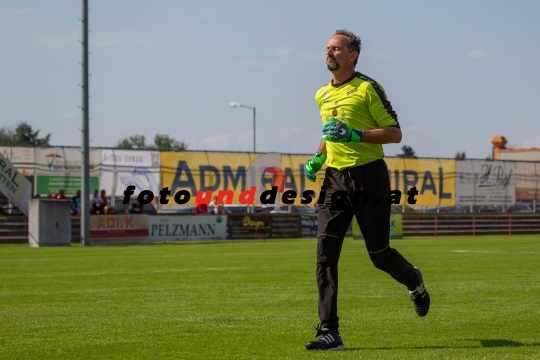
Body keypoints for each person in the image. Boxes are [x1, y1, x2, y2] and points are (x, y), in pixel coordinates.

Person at [303, 30, 430, 351]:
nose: (329, 52)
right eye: (328, 48)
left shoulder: (367, 88)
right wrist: (319, 156)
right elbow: (330, 131)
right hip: (334, 181)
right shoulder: (321, 94)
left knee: (378, 255)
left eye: (337, 48)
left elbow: (395, 133)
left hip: (369, 178)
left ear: (353, 54)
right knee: (325, 254)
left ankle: (413, 280)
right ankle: (329, 331)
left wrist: (356, 134)